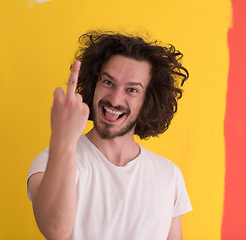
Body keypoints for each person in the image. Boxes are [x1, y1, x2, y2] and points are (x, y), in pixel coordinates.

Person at [27, 31, 192, 240]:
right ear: (94, 85)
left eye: (132, 90)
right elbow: (55, 231)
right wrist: (64, 139)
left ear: (148, 100)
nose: (115, 99)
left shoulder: (169, 175)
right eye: (108, 82)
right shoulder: (51, 160)